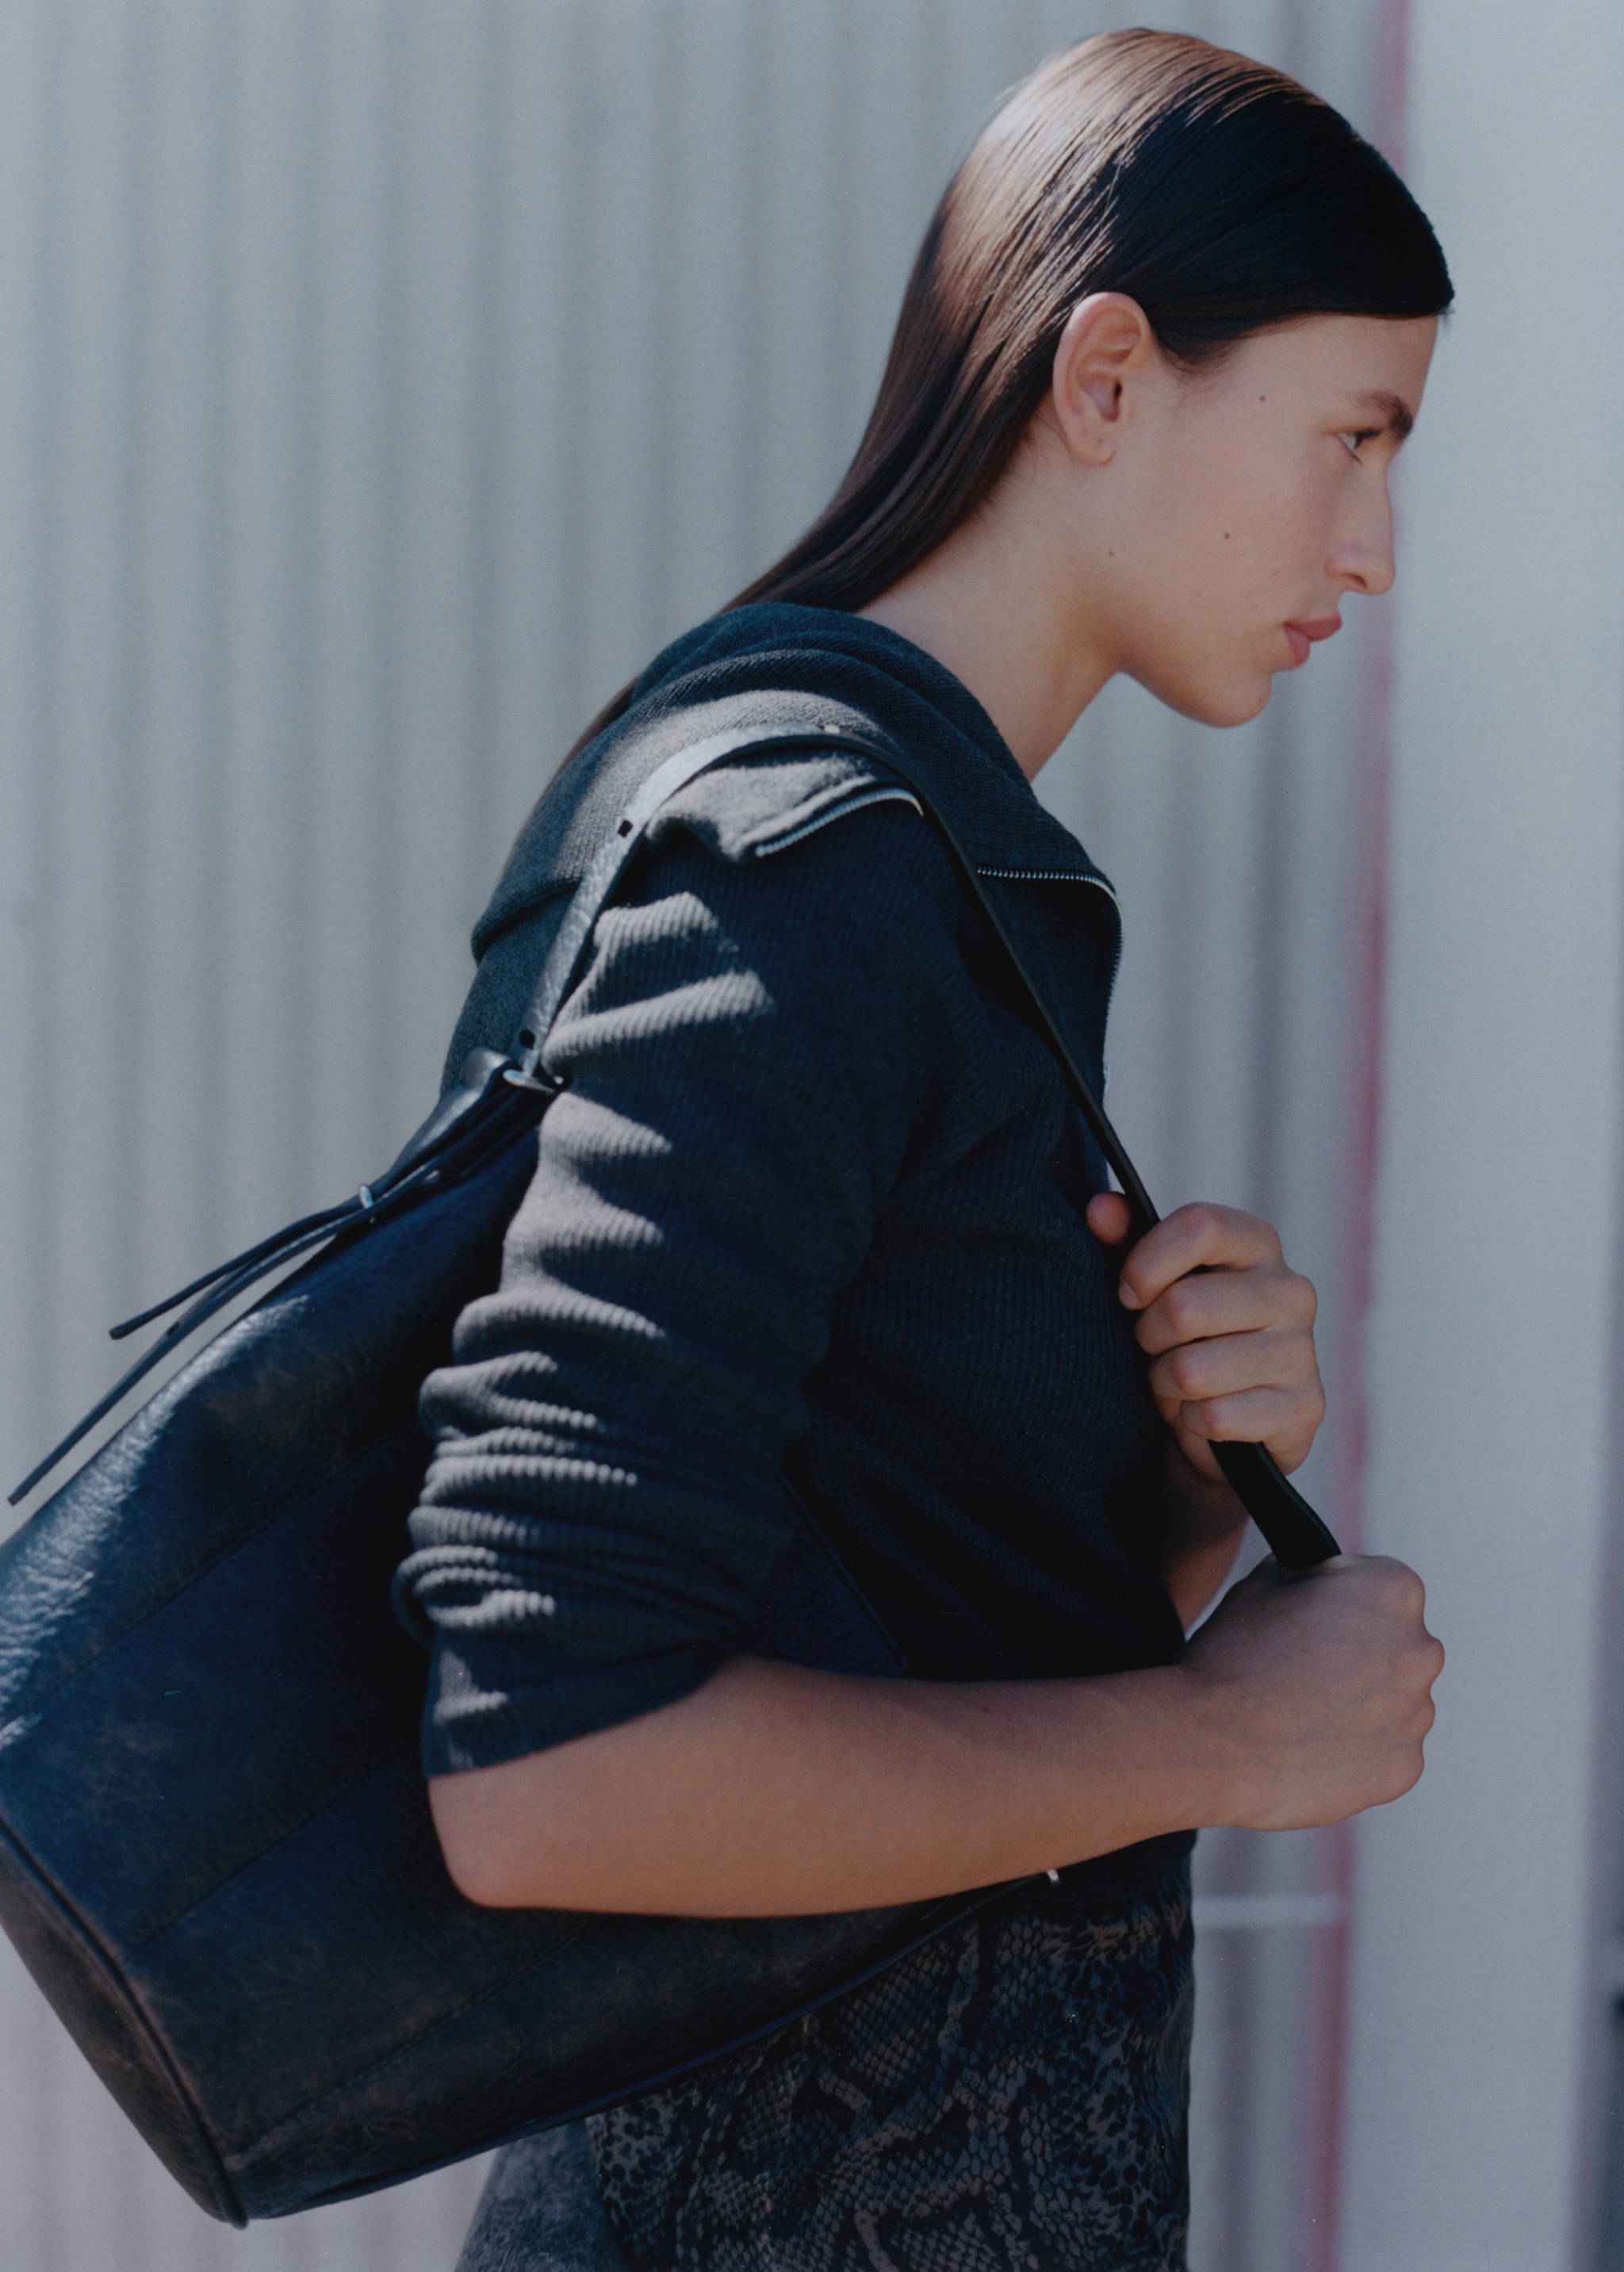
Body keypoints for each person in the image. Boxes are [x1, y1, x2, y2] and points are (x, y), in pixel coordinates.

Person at [396, 29, 1451, 2272]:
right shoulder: (811, 866)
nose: (1374, 548)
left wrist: (1165, 1494)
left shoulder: (931, 860)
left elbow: (862, 1638)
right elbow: (547, 1760)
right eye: (1357, 436)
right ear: (1106, 376)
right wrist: (1223, 1742)